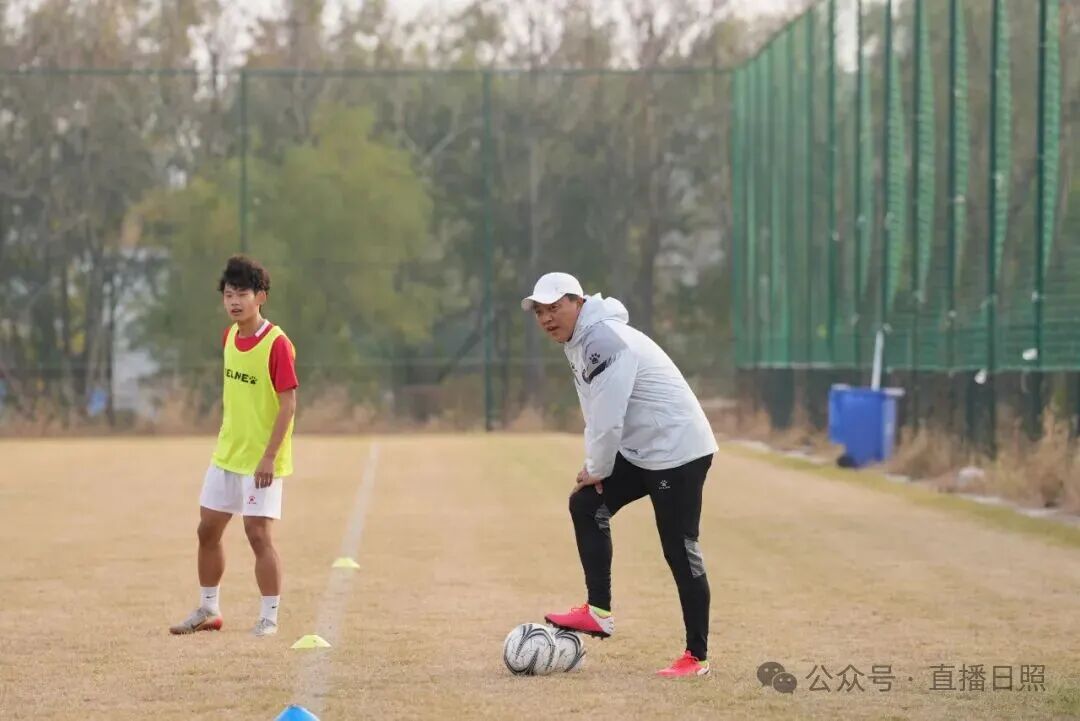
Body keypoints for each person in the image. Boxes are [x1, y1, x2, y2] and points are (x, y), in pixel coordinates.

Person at [523, 272, 718, 677]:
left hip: (677, 450)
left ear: (578, 302)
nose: (546, 318)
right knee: (586, 504)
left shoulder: (604, 341)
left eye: (554, 307)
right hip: (642, 449)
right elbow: (596, 411)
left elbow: (608, 417)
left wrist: (596, 467)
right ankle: (598, 611)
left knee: (679, 549)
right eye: (539, 311)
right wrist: (596, 467)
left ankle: (696, 657)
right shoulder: (580, 341)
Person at [170, 255, 299, 637]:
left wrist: (269, 456)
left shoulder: (277, 344)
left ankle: (269, 618)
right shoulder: (229, 337)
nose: (234, 301)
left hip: (262, 460)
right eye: (228, 294)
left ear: (261, 297)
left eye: (242, 293)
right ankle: (208, 609)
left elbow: (288, 403)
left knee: (258, 535)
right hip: (227, 455)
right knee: (207, 531)